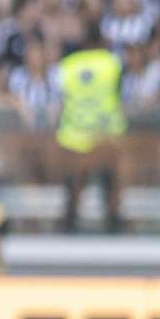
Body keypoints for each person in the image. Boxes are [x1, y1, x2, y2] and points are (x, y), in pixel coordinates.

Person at [55, 25, 127, 233]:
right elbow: (120, 93)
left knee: (73, 187)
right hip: (106, 134)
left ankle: (68, 229)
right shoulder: (112, 62)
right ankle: (114, 227)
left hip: (74, 133)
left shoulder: (68, 65)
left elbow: (61, 100)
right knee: (110, 184)